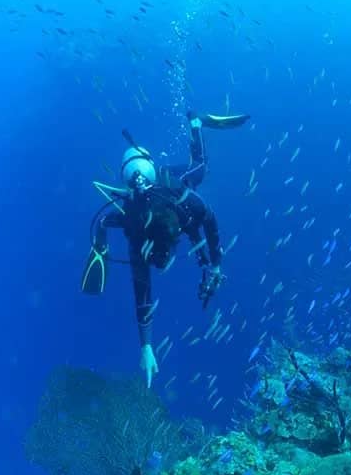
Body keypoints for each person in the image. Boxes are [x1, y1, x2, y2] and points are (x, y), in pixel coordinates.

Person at [82, 110, 250, 387]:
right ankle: (100, 245)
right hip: (142, 195)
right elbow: (142, 288)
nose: (162, 258)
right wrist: (146, 347)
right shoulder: (136, 230)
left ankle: (197, 124)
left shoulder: (182, 198)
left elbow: (209, 218)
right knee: (106, 220)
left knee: (201, 168)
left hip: (168, 180)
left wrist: (215, 263)